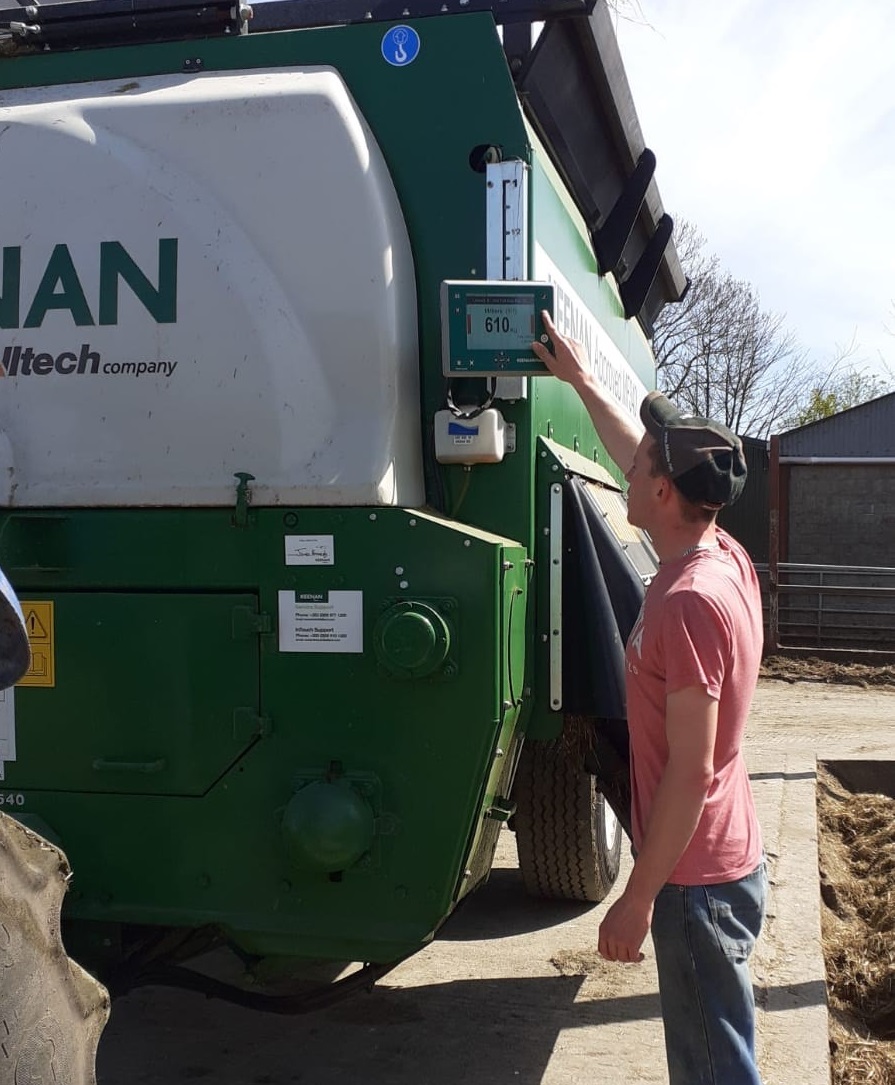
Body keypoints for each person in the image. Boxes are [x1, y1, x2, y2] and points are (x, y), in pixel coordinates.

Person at [533, 312, 767, 1085]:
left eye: (639, 470)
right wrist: (581, 382)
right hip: (710, 862)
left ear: (663, 492)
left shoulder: (687, 602)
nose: (623, 471)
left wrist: (637, 897)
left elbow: (690, 771)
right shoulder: (721, 547)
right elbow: (632, 449)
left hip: (692, 880)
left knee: (712, 1069)